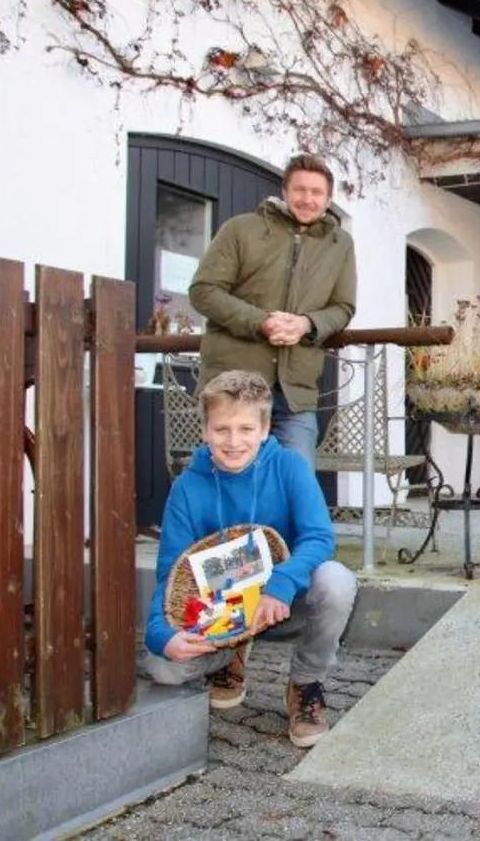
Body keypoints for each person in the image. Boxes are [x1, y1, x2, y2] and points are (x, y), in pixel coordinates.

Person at [143, 370, 357, 748]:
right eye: (222, 429)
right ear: (206, 430)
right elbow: (171, 572)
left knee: (336, 580)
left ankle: (306, 683)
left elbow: (319, 537)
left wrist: (283, 582)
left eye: (245, 429)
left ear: (264, 428)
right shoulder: (187, 488)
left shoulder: (289, 467)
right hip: (223, 610)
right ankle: (229, 656)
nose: (233, 441)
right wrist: (161, 635)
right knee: (163, 668)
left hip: (284, 603)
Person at [189, 153, 357, 468]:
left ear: (328, 198)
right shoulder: (240, 229)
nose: (308, 199)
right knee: (227, 480)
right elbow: (203, 291)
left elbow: (343, 306)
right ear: (284, 191)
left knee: (297, 484)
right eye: (300, 190)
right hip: (233, 386)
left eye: (317, 192)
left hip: (296, 392)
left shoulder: (340, 244)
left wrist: (307, 324)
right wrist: (260, 322)